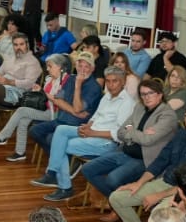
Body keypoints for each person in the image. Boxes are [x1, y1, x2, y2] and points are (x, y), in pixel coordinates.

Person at [35, 66, 137, 202]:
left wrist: (92, 132)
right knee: (60, 130)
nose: (111, 85)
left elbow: (120, 134)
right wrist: (88, 125)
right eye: (108, 81)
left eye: (115, 81)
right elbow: (95, 116)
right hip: (91, 132)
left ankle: (64, 186)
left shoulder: (127, 103)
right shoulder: (107, 96)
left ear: (123, 82)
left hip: (107, 143)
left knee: (62, 145)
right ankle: (53, 172)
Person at [79, 80, 178, 215]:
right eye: (143, 94)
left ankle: (119, 205)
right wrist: (137, 132)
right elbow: (121, 131)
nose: (146, 97)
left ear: (160, 95)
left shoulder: (167, 115)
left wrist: (131, 130)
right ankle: (120, 204)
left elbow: (148, 140)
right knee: (88, 169)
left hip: (144, 159)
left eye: (150, 93)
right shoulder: (139, 107)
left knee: (113, 179)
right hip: (125, 151)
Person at [0, 53, 70, 161]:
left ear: (59, 66)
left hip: (54, 113)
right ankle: (20, 152)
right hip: (44, 108)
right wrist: (38, 90)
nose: (48, 69)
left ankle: (3, 136)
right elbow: (44, 96)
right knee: (23, 120)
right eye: (47, 66)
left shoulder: (66, 81)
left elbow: (58, 100)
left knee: (21, 111)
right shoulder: (49, 79)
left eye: (50, 66)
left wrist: (42, 92)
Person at [27, 50, 102, 153]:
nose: (82, 70)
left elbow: (78, 108)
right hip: (61, 120)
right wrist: (73, 111)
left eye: (86, 66)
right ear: (76, 66)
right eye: (80, 66)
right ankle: (59, 157)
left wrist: (78, 86)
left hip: (76, 125)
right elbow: (58, 100)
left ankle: (60, 157)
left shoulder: (94, 87)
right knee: (34, 131)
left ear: (92, 69)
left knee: (51, 138)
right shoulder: (71, 78)